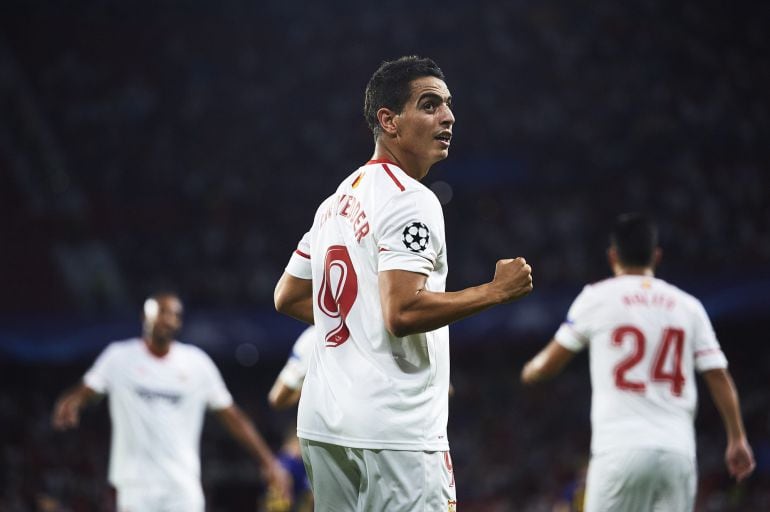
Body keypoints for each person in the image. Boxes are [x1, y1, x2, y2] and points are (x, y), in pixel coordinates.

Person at [273, 55, 534, 511]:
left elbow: (288, 296)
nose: (449, 116)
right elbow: (403, 312)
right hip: (395, 432)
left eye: (449, 105)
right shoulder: (412, 199)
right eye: (430, 105)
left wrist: (362, 323)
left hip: (323, 425)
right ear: (388, 121)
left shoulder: (335, 201)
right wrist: (496, 291)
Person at [521, 213, 755, 511]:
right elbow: (719, 377)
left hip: (620, 448)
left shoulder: (597, 297)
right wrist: (737, 438)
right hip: (677, 452)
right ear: (656, 256)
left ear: (612, 255)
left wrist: (530, 372)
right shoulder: (689, 306)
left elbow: (548, 364)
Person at [52, 291, 290, 512]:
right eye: (161, 312)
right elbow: (89, 388)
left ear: (179, 322)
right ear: (145, 316)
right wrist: (72, 402)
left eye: (174, 314)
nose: (168, 319)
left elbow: (232, 416)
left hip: (182, 485)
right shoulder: (119, 358)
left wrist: (268, 461)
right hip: (136, 487)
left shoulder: (197, 363)